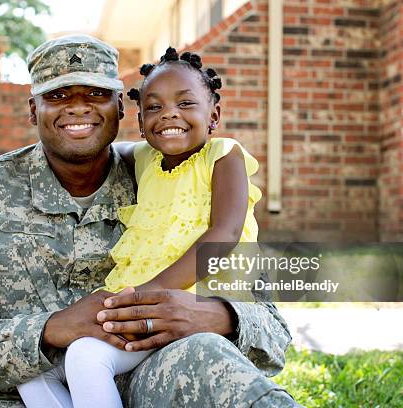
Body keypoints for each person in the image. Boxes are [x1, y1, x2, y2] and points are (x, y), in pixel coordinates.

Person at [0, 34, 298, 407]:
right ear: (34, 109)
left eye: (96, 93)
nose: (78, 106)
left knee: (210, 364)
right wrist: (48, 330)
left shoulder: (171, 178)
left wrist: (219, 315)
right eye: (59, 95)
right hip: (11, 393)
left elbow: (273, 329)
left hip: (143, 379)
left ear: (121, 107)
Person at [18, 46, 266, 408]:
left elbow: (224, 235)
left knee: (87, 358)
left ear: (214, 114)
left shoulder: (224, 155)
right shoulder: (146, 159)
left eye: (184, 104)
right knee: (32, 370)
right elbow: (102, 149)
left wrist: (146, 294)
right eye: (154, 107)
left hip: (189, 303)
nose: (169, 115)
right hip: (138, 304)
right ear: (138, 117)